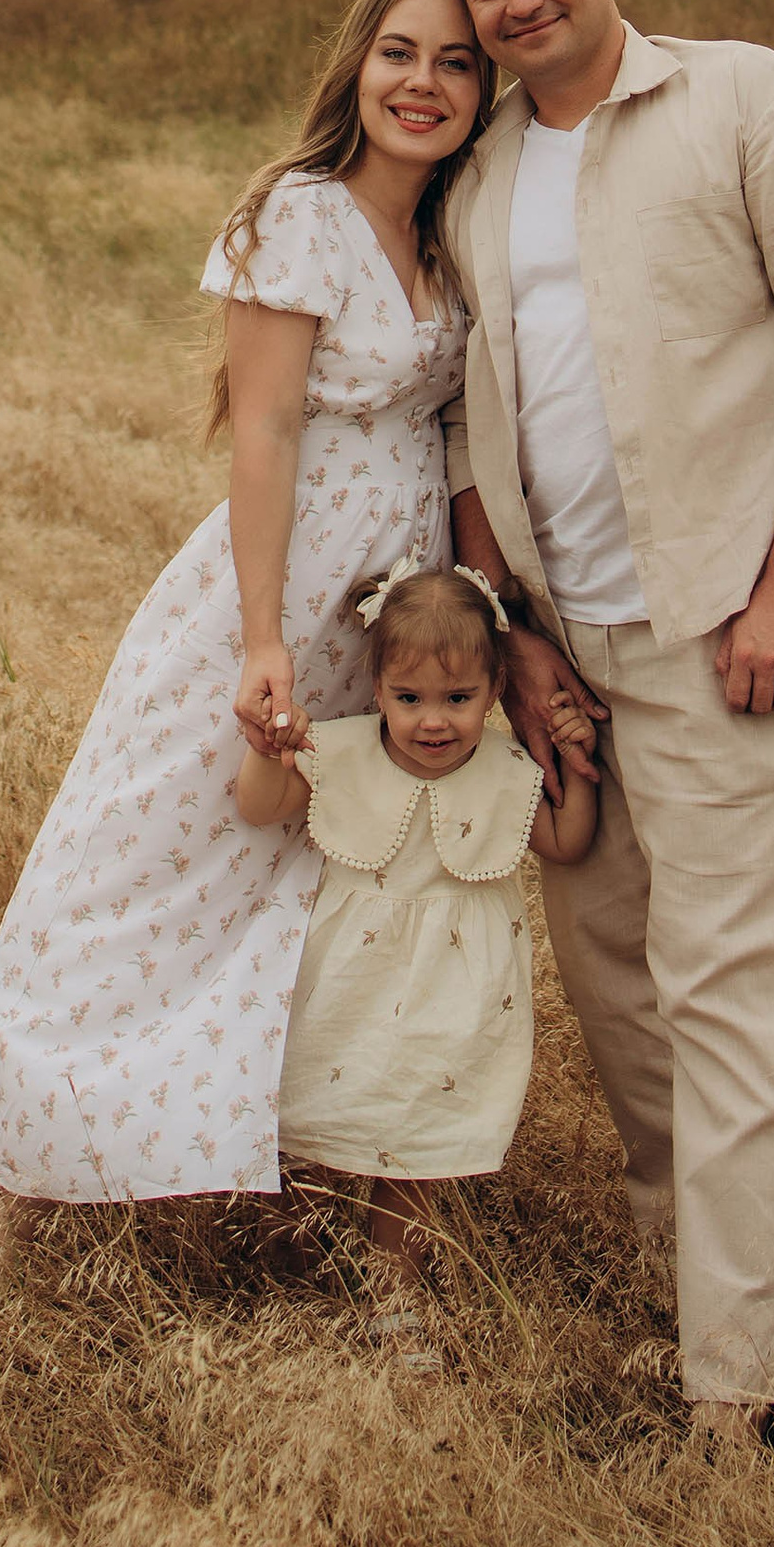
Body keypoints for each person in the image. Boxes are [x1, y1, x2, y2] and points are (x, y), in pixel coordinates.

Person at [438, 0, 774, 1451]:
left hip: (720, 632)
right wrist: (512, 636)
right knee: (617, 992)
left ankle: (739, 1392)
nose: (521, 0)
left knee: (735, 997)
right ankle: (686, 1272)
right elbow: (467, 420)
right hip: (563, 653)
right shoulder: (481, 169)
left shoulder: (747, 103)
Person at [0, 0, 486, 1249]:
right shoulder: (301, 214)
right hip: (283, 589)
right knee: (157, 856)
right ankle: (37, 1158)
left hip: (401, 609)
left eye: (455, 62)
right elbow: (263, 432)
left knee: (339, 874)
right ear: (356, 64)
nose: (422, 83)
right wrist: (261, 638)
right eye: (398, 52)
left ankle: (300, 1174)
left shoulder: (450, 228)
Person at [235, 559, 600, 1332]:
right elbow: (260, 807)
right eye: (409, 699)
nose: (433, 721)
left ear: (495, 690)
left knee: (414, 1146)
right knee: (309, 1126)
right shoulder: (340, 751)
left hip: (452, 998)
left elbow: (566, 842)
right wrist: (268, 749)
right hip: (346, 985)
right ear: (377, 690)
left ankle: (395, 1299)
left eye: (458, 699)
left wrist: (578, 762)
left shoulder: (508, 769)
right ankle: (293, 1279)